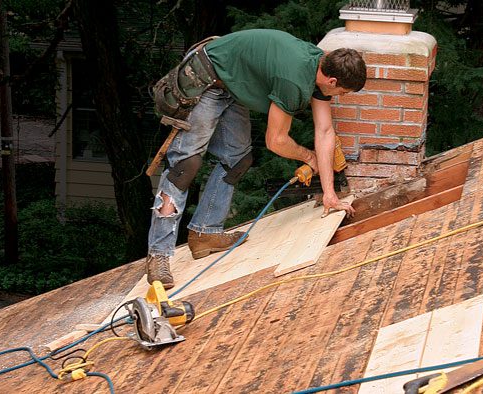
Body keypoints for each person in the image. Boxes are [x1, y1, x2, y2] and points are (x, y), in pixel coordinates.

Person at [146, 29, 366, 289]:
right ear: (331, 80)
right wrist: (309, 156)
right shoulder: (294, 81)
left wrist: (330, 194)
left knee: (237, 159)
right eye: (344, 92)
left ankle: (205, 232)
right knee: (185, 166)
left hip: (232, 85)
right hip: (206, 81)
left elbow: (325, 131)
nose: (342, 97)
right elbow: (276, 141)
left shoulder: (319, 66)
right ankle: (158, 256)